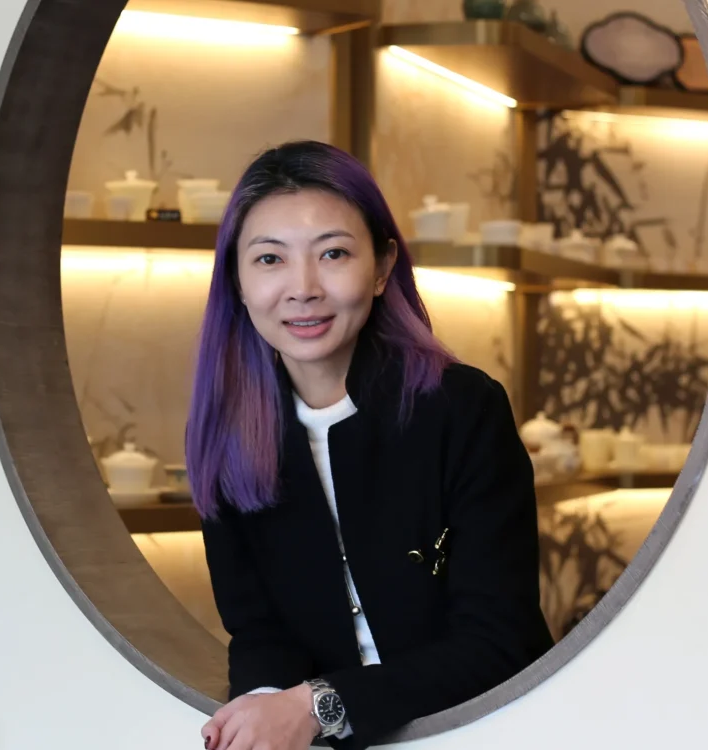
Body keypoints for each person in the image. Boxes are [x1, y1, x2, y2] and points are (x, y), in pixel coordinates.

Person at [185, 140, 554, 750]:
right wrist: (260, 709)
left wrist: (316, 707)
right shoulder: (228, 431)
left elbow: (498, 641)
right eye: (270, 259)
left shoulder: (461, 408)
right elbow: (257, 632)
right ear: (237, 280)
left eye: (332, 253)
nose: (302, 288)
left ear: (382, 268)